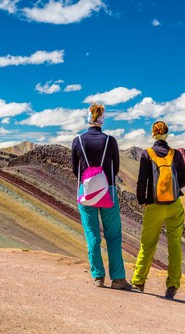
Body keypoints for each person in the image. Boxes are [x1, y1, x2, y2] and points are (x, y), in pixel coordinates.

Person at [71, 104, 132, 290]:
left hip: (86, 191)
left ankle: (98, 277)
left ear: (88, 117)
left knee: (92, 234)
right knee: (113, 236)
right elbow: (116, 167)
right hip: (108, 191)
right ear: (103, 118)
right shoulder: (110, 141)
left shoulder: (78, 141)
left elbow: (76, 170)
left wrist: (89, 183)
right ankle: (118, 278)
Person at [132, 121, 185, 299]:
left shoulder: (147, 154)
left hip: (154, 206)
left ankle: (139, 281)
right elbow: (184, 180)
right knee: (175, 246)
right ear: (167, 134)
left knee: (147, 245)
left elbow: (142, 182)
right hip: (174, 206)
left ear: (153, 134)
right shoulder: (176, 154)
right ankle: (172, 286)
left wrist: (143, 201)